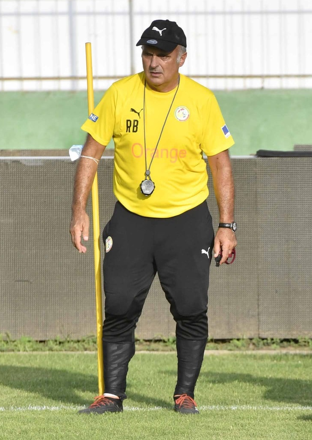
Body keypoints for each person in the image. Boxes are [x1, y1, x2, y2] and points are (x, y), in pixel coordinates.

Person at [70, 19, 237, 414]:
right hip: (131, 219)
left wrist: (227, 225)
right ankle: (111, 395)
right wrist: (78, 210)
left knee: (191, 308)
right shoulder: (119, 94)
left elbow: (221, 165)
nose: (154, 62)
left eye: (163, 55)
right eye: (148, 53)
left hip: (187, 219)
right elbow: (91, 153)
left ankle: (185, 394)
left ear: (181, 57)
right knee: (120, 305)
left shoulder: (201, 100)